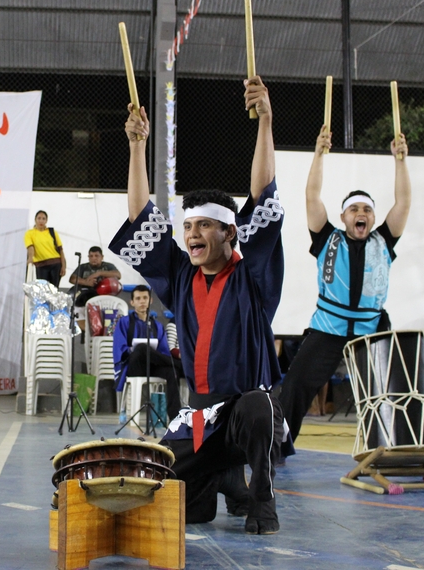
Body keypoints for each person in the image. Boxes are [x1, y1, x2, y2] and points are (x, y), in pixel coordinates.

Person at [110, 76, 285, 534]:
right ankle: (217, 481)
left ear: (230, 233)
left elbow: (263, 197)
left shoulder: (253, 277)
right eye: (189, 227)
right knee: (160, 484)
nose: (192, 235)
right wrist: (135, 147)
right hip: (199, 419)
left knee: (257, 406)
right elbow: (140, 218)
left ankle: (261, 499)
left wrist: (265, 119)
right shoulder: (182, 276)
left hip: (246, 416)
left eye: (205, 226)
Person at [278, 125, 411, 447]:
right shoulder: (328, 238)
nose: (361, 213)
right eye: (355, 209)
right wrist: (319, 153)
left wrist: (400, 161)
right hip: (328, 328)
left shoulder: (384, 240)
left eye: (367, 209)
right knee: (295, 384)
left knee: (386, 391)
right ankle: (276, 447)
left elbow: (404, 201)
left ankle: (391, 448)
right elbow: (312, 195)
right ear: (344, 216)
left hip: (370, 329)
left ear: (373, 217)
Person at [112, 285, 182, 420]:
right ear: (132, 302)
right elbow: (119, 348)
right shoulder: (124, 322)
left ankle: (175, 417)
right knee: (142, 348)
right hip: (133, 366)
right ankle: (180, 365)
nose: (142, 301)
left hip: (153, 366)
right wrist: (137, 350)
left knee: (172, 372)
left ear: (150, 301)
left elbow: (163, 352)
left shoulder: (157, 326)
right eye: (138, 298)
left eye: (145, 298)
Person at [68, 246, 121, 330]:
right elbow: (72, 279)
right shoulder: (83, 267)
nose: (94, 258)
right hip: (85, 298)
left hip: (103, 298)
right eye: (91, 256)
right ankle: (89, 331)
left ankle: (107, 331)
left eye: (96, 256)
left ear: (102, 257)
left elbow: (118, 275)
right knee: (75, 304)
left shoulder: (108, 266)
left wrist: (99, 273)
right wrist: (86, 282)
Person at [24, 210, 66, 289]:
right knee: (43, 289)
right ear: (35, 219)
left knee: (54, 289)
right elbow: (30, 247)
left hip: (55, 263)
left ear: (46, 220)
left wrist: (63, 266)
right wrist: (30, 258)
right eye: (39, 218)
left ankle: (53, 301)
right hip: (41, 265)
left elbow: (60, 250)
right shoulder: (30, 233)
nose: (41, 221)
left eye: (43, 218)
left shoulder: (52, 232)